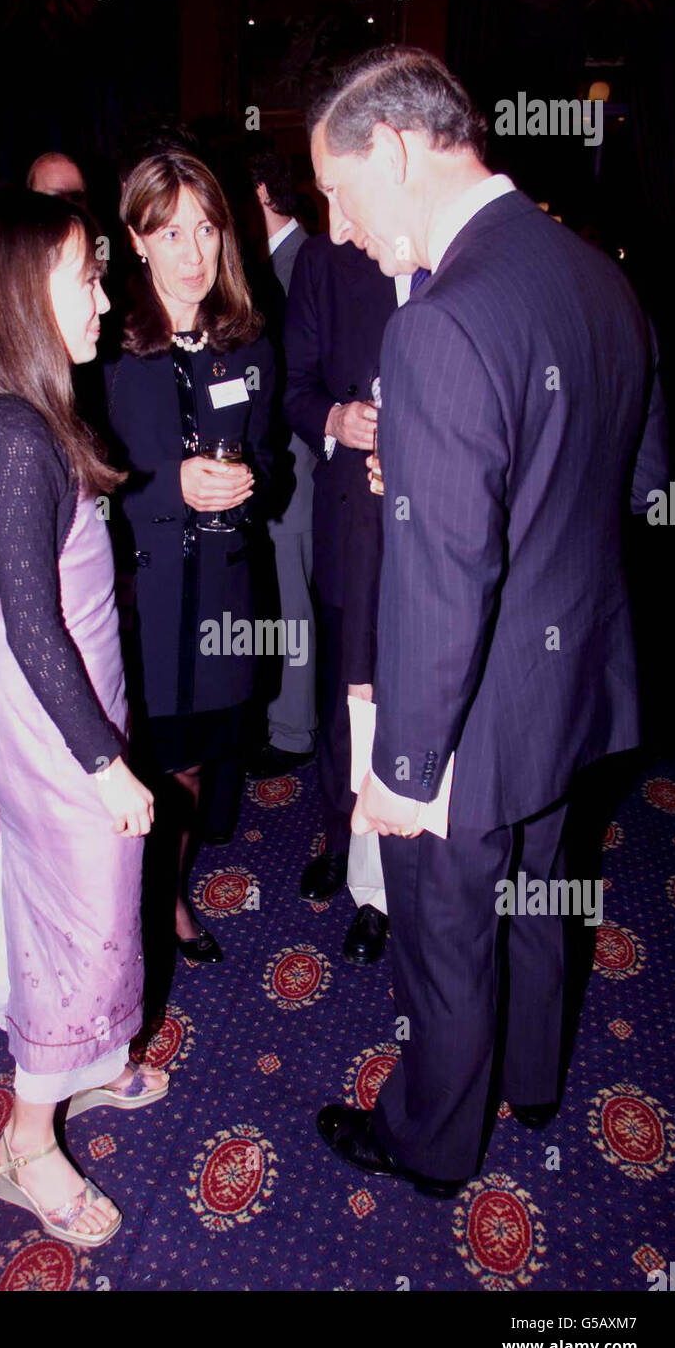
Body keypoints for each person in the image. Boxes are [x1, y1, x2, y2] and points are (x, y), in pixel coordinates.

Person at [311, 47, 668, 1196]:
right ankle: (533, 1081)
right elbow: (631, 480)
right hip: (570, 681)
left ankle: (428, 1142)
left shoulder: (438, 325)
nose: (339, 229)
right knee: (536, 892)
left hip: (462, 713)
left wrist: (403, 770)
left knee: (448, 934)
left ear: (399, 152)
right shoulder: (598, 273)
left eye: (338, 193)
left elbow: (448, 581)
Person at [0, 185, 167, 1247]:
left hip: (71, 702)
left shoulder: (26, 409)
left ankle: (87, 1067)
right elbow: (27, 631)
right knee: (81, 923)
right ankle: (26, 1142)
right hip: (57, 719)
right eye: (85, 275)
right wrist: (103, 763)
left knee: (83, 902)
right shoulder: (11, 435)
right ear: (21, 295)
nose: (105, 296)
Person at [105, 150, 276, 970]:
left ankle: (167, 899)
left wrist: (250, 479)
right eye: (170, 231)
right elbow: (83, 491)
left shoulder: (247, 342)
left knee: (196, 766)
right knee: (134, 768)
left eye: (206, 229)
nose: (192, 251)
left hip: (222, 595)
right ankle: (122, 915)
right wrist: (172, 484)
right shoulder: (102, 345)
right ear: (136, 239)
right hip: (136, 599)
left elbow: (273, 462)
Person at [283, 230, 396, 963]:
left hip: (447, 530)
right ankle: (341, 838)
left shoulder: (454, 247)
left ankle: (387, 888)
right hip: (352, 521)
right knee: (342, 703)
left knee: (416, 704)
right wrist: (334, 419)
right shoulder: (325, 260)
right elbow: (293, 387)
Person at [245, 148, 318, 781]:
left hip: (297, 458)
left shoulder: (302, 262)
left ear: (264, 191)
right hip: (279, 457)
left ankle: (293, 730)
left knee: (292, 597)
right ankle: (283, 717)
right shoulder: (272, 262)